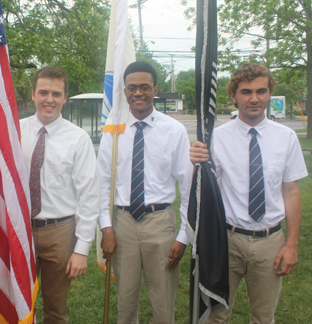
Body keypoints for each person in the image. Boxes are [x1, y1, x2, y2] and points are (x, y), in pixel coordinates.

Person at [190, 63, 308, 323]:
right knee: (216, 314)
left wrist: (291, 245)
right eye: (246, 92)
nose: (254, 98)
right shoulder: (216, 138)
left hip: (270, 242)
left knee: (264, 316)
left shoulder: (286, 137)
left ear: (268, 94)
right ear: (233, 96)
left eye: (261, 91)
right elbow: (204, 187)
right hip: (227, 240)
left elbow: (291, 192)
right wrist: (196, 160)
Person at [98, 61, 192, 323]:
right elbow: (103, 184)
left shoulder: (174, 131)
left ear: (155, 90)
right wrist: (106, 228)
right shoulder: (112, 131)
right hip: (122, 222)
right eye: (131, 88)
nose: (137, 93)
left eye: (144, 87)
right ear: (125, 91)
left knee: (163, 300)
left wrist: (184, 236)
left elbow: (187, 186)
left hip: (159, 221)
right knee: (125, 300)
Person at [20, 66, 100, 323]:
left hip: (60, 231)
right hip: (19, 228)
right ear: (33, 94)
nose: (49, 99)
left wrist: (82, 249)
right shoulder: (13, 132)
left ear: (65, 97)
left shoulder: (78, 138)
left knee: (56, 309)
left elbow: (89, 194)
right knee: (19, 303)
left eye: (56, 93)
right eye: (43, 92)